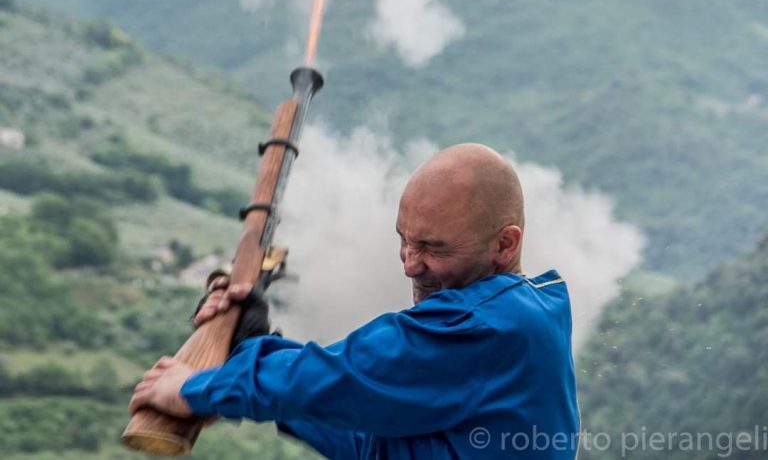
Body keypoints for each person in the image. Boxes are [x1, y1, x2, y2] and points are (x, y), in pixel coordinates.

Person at [130, 143, 580, 458]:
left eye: (434, 248)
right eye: (404, 240)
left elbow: (343, 376)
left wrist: (196, 390)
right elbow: (375, 444)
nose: (409, 264)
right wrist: (251, 346)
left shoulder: (487, 326)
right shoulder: (527, 315)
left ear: (505, 244)